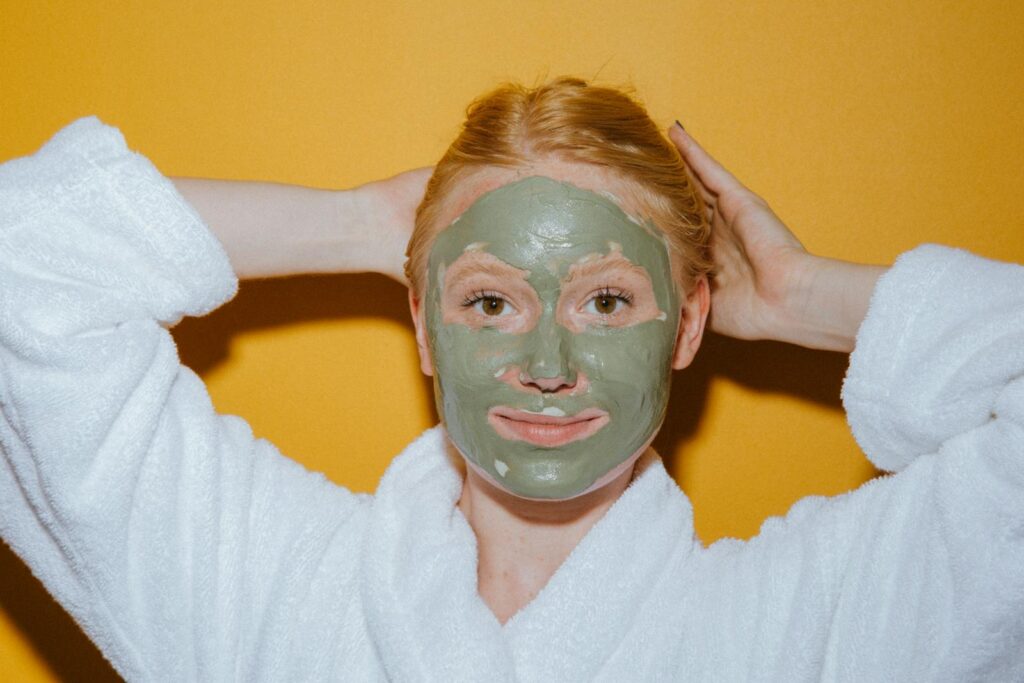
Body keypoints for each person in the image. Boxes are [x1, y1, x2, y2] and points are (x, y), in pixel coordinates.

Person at [0, 77, 1021, 681]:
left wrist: (806, 294)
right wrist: (361, 222)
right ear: (424, 325)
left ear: (687, 324)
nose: (545, 365)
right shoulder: (264, 589)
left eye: (608, 301)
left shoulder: (813, 625)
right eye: (488, 301)